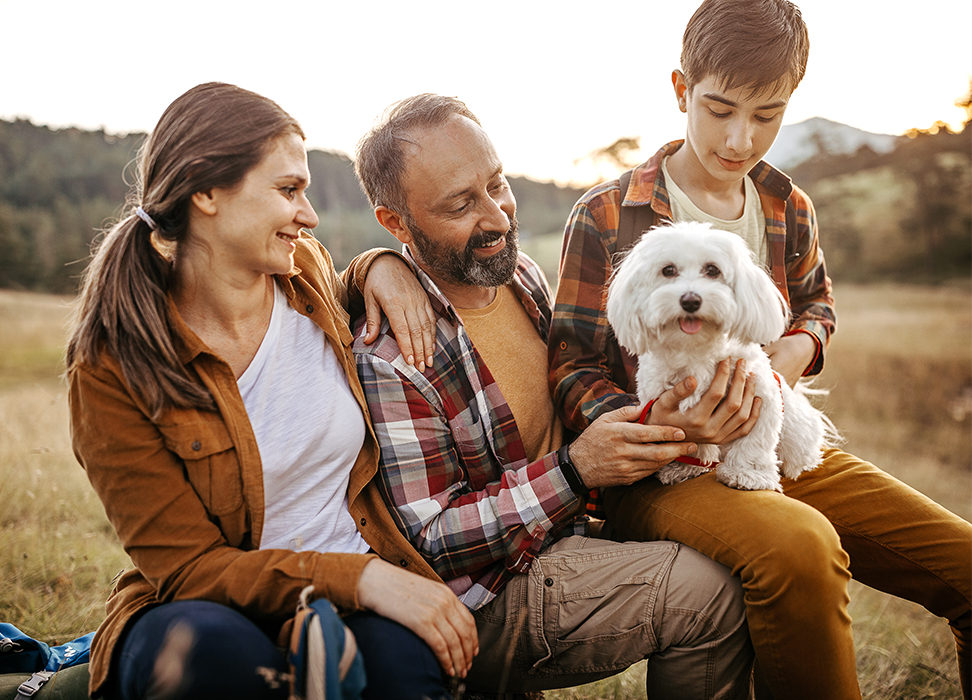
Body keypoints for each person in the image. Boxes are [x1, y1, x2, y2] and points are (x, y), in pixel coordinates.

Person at [547, 1, 972, 699]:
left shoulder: (787, 205)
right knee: (802, 548)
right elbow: (569, 364)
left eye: (767, 115)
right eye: (720, 110)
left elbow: (817, 306)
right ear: (682, 90)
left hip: (773, 437)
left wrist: (780, 365)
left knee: (963, 563)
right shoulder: (605, 214)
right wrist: (664, 424)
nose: (741, 138)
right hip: (658, 471)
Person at [65, 82, 478, 700]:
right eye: (288, 191)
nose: (308, 215)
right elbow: (187, 568)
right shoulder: (112, 368)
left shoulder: (304, 275)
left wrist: (380, 266)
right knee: (207, 659)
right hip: (207, 608)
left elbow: (346, 283)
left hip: (357, 592)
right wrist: (360, 579)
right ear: (206, 192)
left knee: (410, 667)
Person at [351, 93, 755, 699]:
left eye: (497, 184)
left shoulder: (520, 278)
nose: (495, 217)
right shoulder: (392, 354)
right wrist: (576, 470)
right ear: (396, 224)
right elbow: (428, 539)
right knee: (713, 594)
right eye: (461, 204)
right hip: (485, 595)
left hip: (570, 534)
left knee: (758, 546)